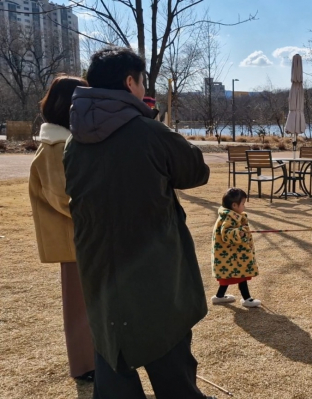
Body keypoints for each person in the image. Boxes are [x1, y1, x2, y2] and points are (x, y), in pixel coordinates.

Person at [64, 47, 213, 398]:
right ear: (130, 82)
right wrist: (153, 121)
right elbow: (196, 170)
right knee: (170, 360)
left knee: (112, 357)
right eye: (142, 80)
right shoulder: (147, 132)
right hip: (151, 268)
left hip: (98, 270)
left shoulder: (74, 141)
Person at [29, 75, 95, 382]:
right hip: (75, 239)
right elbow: (63, 197)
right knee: (79, 306)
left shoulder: (60, 142)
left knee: (85, 304)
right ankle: (84, 366)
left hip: (79, 238)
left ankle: (89, 362)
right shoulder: (55, 145)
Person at [211, 188, 261, 307]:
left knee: (229, 277)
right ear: (234, 205)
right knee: (240, 275)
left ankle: (219, 296)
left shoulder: (231, 216)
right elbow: (226, 234)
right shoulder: (229, 218)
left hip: (232, 256)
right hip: (232, 256)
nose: (244, 206)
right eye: (243, 204)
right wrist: (240, 233)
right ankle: (247, 299)